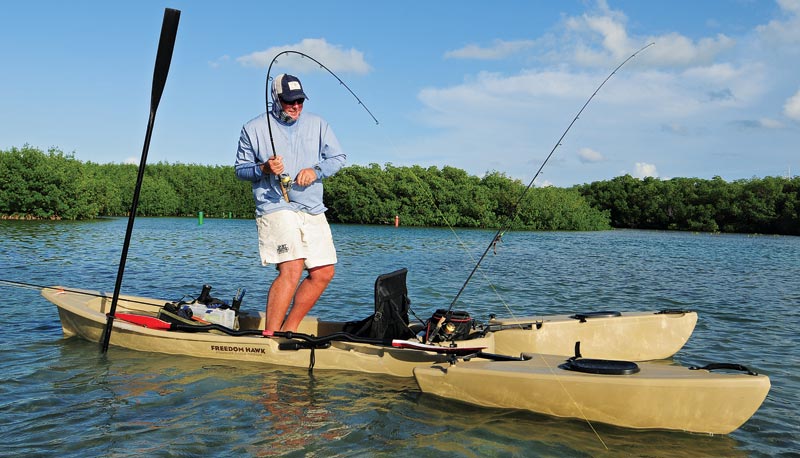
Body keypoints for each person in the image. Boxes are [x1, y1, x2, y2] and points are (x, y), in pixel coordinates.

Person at [235, 74, 346, 333]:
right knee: (293, 266)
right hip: (274, 204)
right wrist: (263, 168)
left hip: (311, 206)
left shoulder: (319, 124)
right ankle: (270, 336)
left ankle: (290, 329)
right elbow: (240, 170)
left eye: (300, 101)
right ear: (276, 99)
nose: (296, 107)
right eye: (289, 102)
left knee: (324, 272)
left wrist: (316, 170)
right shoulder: (253, 128)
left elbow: (338, 157)